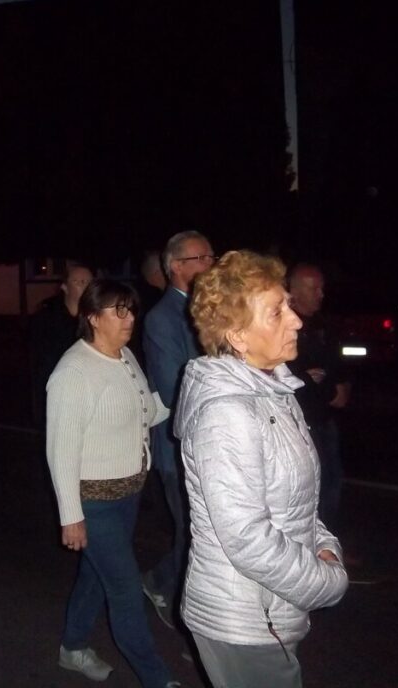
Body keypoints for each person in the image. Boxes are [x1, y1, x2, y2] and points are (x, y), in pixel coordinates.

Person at [176, 250, 348, 688]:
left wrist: (324, 545)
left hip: (272, 605)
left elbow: (297, 501)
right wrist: (325, 583)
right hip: (243, 618)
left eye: (288, 305)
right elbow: (246, 537)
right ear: (237, 336)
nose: (296, 320)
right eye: (277, 312)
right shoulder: (227, 414)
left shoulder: (274, 390)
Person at [47, 280, 182, 688]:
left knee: (95, 576)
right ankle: (158, 679)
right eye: (118, 311)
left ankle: (72, 648)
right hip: (94, 504)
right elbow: (61, 451)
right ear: (92, 317)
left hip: (127, 496)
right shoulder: (73, 372)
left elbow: (146, 413)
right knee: (124, 588)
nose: (129, 319)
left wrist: (184, 396)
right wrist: (71, 516)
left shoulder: (125, 357)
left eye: (131, 310)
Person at [141, 230, 214, 627]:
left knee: (205, 532)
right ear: (175, 267)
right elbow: (174, 389)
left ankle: (164, 582)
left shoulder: (212, 310)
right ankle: (174, 598)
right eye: (200, 258)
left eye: (210, 256)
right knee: (192, 530)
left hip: (213, 442)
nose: (209, 264)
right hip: (179, 447)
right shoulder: (163, 318)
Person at [286, 263, 351, 531]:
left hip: (325, 419)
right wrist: (322, 387)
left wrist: (341, 385)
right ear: (294, 291)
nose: (321, 294)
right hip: (303, 422)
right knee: (313, 486)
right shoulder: (285, 327)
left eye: (322, 288)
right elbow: (294, 377)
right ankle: (313, 541)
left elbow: (335, 362)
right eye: (314, 288)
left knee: (333, 480)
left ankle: (326, 539)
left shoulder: (323, 326)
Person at [29, 262, 95, 427]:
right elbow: (42, 364)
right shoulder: (47, 318)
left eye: (88, 282)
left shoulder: (97, 319)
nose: (85, 286)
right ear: (64, 287)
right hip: (60, 398)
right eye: (78, 282)